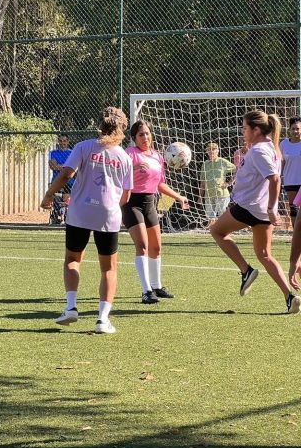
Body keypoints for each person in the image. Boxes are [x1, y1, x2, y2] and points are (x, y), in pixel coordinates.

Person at [41, 107, 133, 334]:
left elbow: (65, 174)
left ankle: (71, 307)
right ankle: (102, 320)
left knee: (72, 259)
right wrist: (110, 205)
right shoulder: (124, 157)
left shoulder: (83, 147)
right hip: (108, 215)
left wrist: (49, 194)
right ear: (122, 129)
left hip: (80, 211)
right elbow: (126, 195)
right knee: (108, 269)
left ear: (99, 126)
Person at [210, 110, 300, 314]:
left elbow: (274, 179)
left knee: (217, 231)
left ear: (256, 130)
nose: (243, 132)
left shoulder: (259, 150)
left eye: (245, 128)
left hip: (250, 207)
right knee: (265, 254)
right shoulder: (270, 147)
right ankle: (290, 297)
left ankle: (246, 270)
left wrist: (271, 208)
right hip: (260, 210)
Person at [123, 120, 189, 304]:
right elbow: (120, 177)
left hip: (150, 203)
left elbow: (160, 183)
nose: (145, 137)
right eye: (140, 134)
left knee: (156, 248)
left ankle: (157, 286)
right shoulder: (130, 154)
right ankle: (146, 292)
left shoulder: (158, 157)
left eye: (147, 133)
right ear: (134, 138)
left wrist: (179, 197)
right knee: (142, 245)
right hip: (131, 203)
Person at [199, 142, 236, 226]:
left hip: (221, 194)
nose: (211, 152)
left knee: (222, 215)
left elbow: (237, 169)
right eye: (209, 150)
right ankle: (212, 234)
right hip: (209, 195)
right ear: (207, 152)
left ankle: (228, 229)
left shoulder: (222, 162)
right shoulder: (205, 164)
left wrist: (229, 183)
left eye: (214, 150)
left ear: (218, 151)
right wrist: (200, 197)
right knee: (210, 219)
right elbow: (202, 182)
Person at [280, 117, 301, 226]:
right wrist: (279, 176)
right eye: (293, 129)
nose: (295, 131)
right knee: (293, 208)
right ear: (289, 129)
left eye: (297, 129)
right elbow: (282, 162)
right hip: (290, 181)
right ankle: (296, 235)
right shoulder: (284, 144)